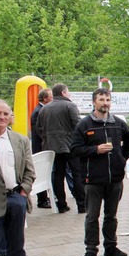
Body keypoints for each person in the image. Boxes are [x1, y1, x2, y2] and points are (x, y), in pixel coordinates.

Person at [71, 88, 129, 256]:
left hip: (115, 178)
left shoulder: (119, 123)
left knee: (111, 215)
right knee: (92, 216)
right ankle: (91, 249)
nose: (105, 103)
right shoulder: (84, 125)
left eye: (107, 100)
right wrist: (95, 150)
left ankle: (111, 246)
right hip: (93, 179)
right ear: (94, 102)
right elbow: (75, 149)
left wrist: (122, 159)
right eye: (101, 100)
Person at [0, 99, 36, 256]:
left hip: (16, 199)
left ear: (10, 118)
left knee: (16, 247)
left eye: (6, 114)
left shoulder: (20, 140)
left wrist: (23, 193)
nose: (2, 117)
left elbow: (30, 171)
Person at [36, 83, 85, 213]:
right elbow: (78, 126)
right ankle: (82, 205)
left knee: (58, 175)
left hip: (51, 148)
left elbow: (39, 129)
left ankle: (61, 205)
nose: (69, 94)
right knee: (77, 174)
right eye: (68, 92)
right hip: (70, 146)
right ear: (63, 93)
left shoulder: (44, 109)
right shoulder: (70, 105)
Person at [31, 88, 53, 209]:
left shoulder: (41, 110)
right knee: (40, 174)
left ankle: (45, 198)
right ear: (45, 98)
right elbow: (39, 131)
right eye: (51, 97)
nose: (53, 99)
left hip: (42, 146)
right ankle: (42, 200)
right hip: (40, 148)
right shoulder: (38, 111)